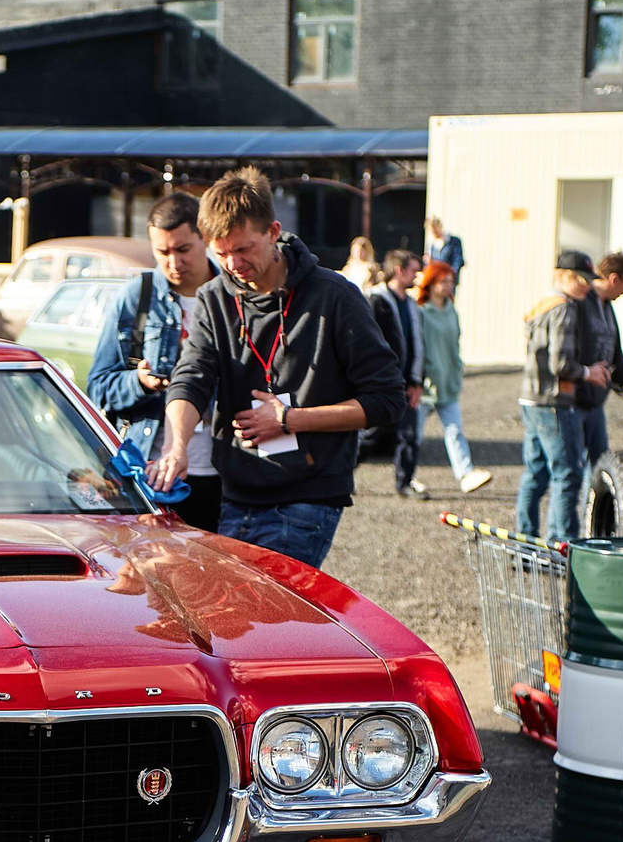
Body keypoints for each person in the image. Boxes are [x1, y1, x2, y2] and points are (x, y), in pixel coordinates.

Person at [151, 166, 406, 569]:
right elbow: (191, 377)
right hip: (236, 491)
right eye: (221, 253)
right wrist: (176, 447)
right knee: (235, 604)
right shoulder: (214, 298)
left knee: (263, 602)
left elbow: (388, 400)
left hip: (308, 495)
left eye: (244, 249)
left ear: (273, 232)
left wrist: (289, 419)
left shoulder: (334, 296)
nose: (233, 264)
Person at [86, 191, 222, 531]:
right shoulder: (137, 297)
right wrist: (139, 382)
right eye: (162, 252)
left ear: (205, 238)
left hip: (224, 470)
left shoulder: (232, 294)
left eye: (183, 249)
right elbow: (98, 386)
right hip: (150, 469)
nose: (173, 262)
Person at [516, 250, 611, 541]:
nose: (587, 286)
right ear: (564, 276)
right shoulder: (564, 308)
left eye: (590, 280)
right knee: (567, 474)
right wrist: (589, 372)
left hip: (531, 399)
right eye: (582, 280)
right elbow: (561, 364)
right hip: (554, 403)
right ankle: (561, 546)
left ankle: (525, 542)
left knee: (536, 473)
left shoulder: (542, 305)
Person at [415, 259, 491, 494]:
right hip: (424, 385)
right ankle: (408, 476)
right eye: (444, 281)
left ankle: (465, 474)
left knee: (454, 430)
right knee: (413, 435)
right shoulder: (420, 312)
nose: (449, 285)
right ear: (431, 283)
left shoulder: (451, 310)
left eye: (451, 281)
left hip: (448, 381)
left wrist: (458, 367)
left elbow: (455, 342)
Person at [576, 251, 623, 469]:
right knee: (568, 472)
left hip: (595, 404)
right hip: (572, 404)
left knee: (599, 467)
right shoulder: (580, 304)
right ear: (614, 279)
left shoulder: (607, 309)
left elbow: (616, 358)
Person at [369, 249, 427, 497]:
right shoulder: (376, 301)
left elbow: (418, 343)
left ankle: (405, 482)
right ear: (399, 270)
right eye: (413, 270)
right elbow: (368, 344)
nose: (417, 276)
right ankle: (343, 475)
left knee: (409, 435)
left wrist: (416, 380)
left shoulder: (412, 305)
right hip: (382, 382)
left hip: (407, 382)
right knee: (370, 434)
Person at [425, 216, 464, 286]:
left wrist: (452, 274)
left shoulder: (453, 241)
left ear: (440, 227)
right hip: (437, 280)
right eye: (432, 232)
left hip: (449, 279)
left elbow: (458, 260)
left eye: (435, 231)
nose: (435, 234)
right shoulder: (432, 245)